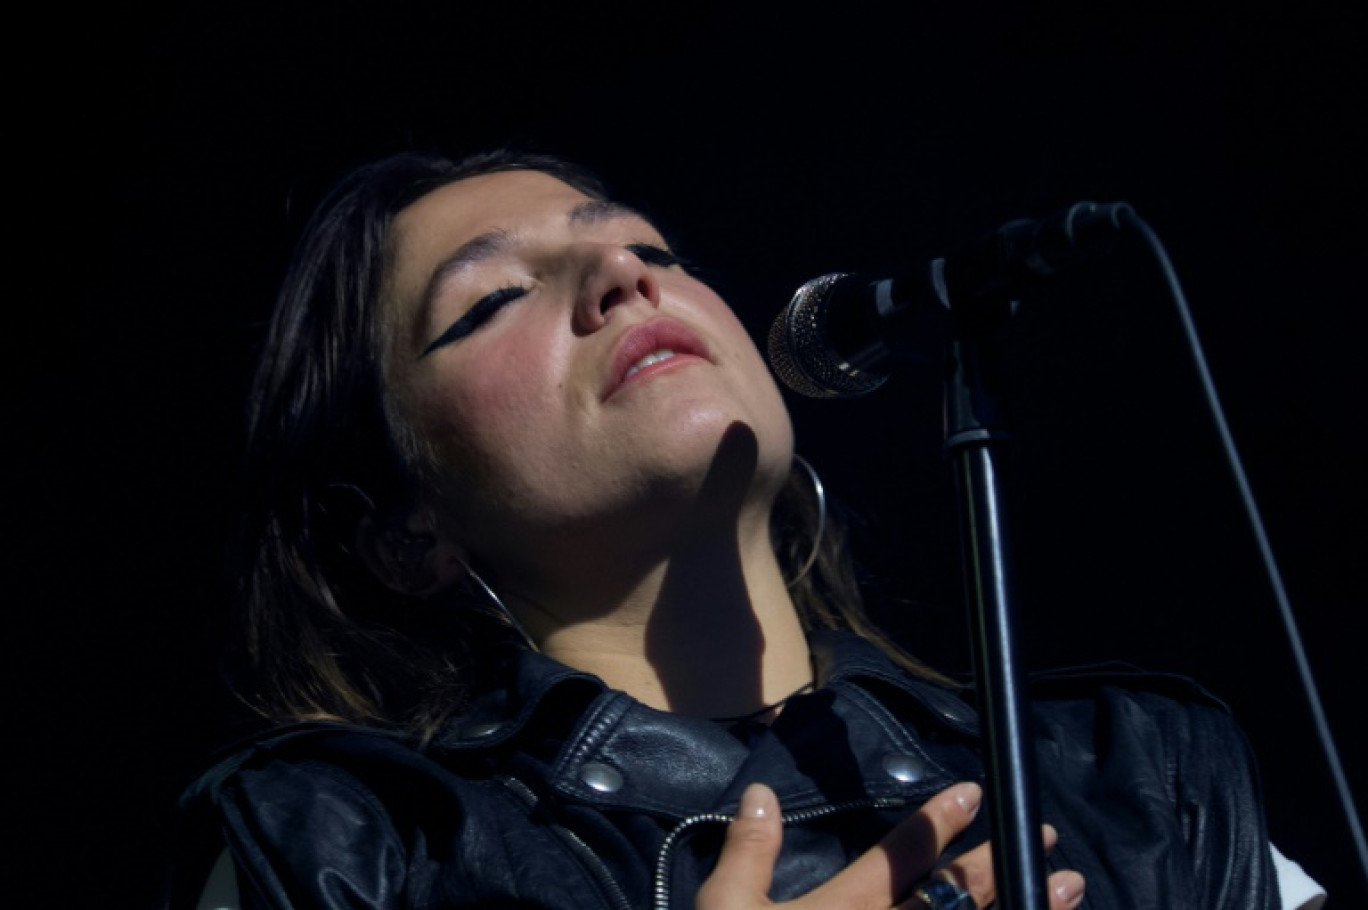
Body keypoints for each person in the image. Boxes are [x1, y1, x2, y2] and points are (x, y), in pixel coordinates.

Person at [164, 149, 1299, 909]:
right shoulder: (345, 848)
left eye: (651, 251)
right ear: (408, 527)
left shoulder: (1135, 776)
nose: (621, 277)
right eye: (494, 299)